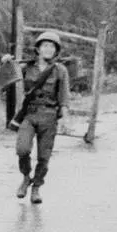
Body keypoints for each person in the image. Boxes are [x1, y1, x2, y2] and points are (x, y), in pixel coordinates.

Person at [14, 30, 70, 205]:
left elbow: (64, 98)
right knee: (22, 149)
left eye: (52, 46)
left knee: (44, 156)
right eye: (45, 45)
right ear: (38, 49)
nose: (48, 49)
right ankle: (25, 177)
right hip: (29, 114)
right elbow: (6, 75)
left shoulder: (60, 70)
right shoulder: (26, 67)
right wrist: (6, 61)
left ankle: (36, 187)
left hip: (49, 116)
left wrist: (65, 120)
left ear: (56, 50)